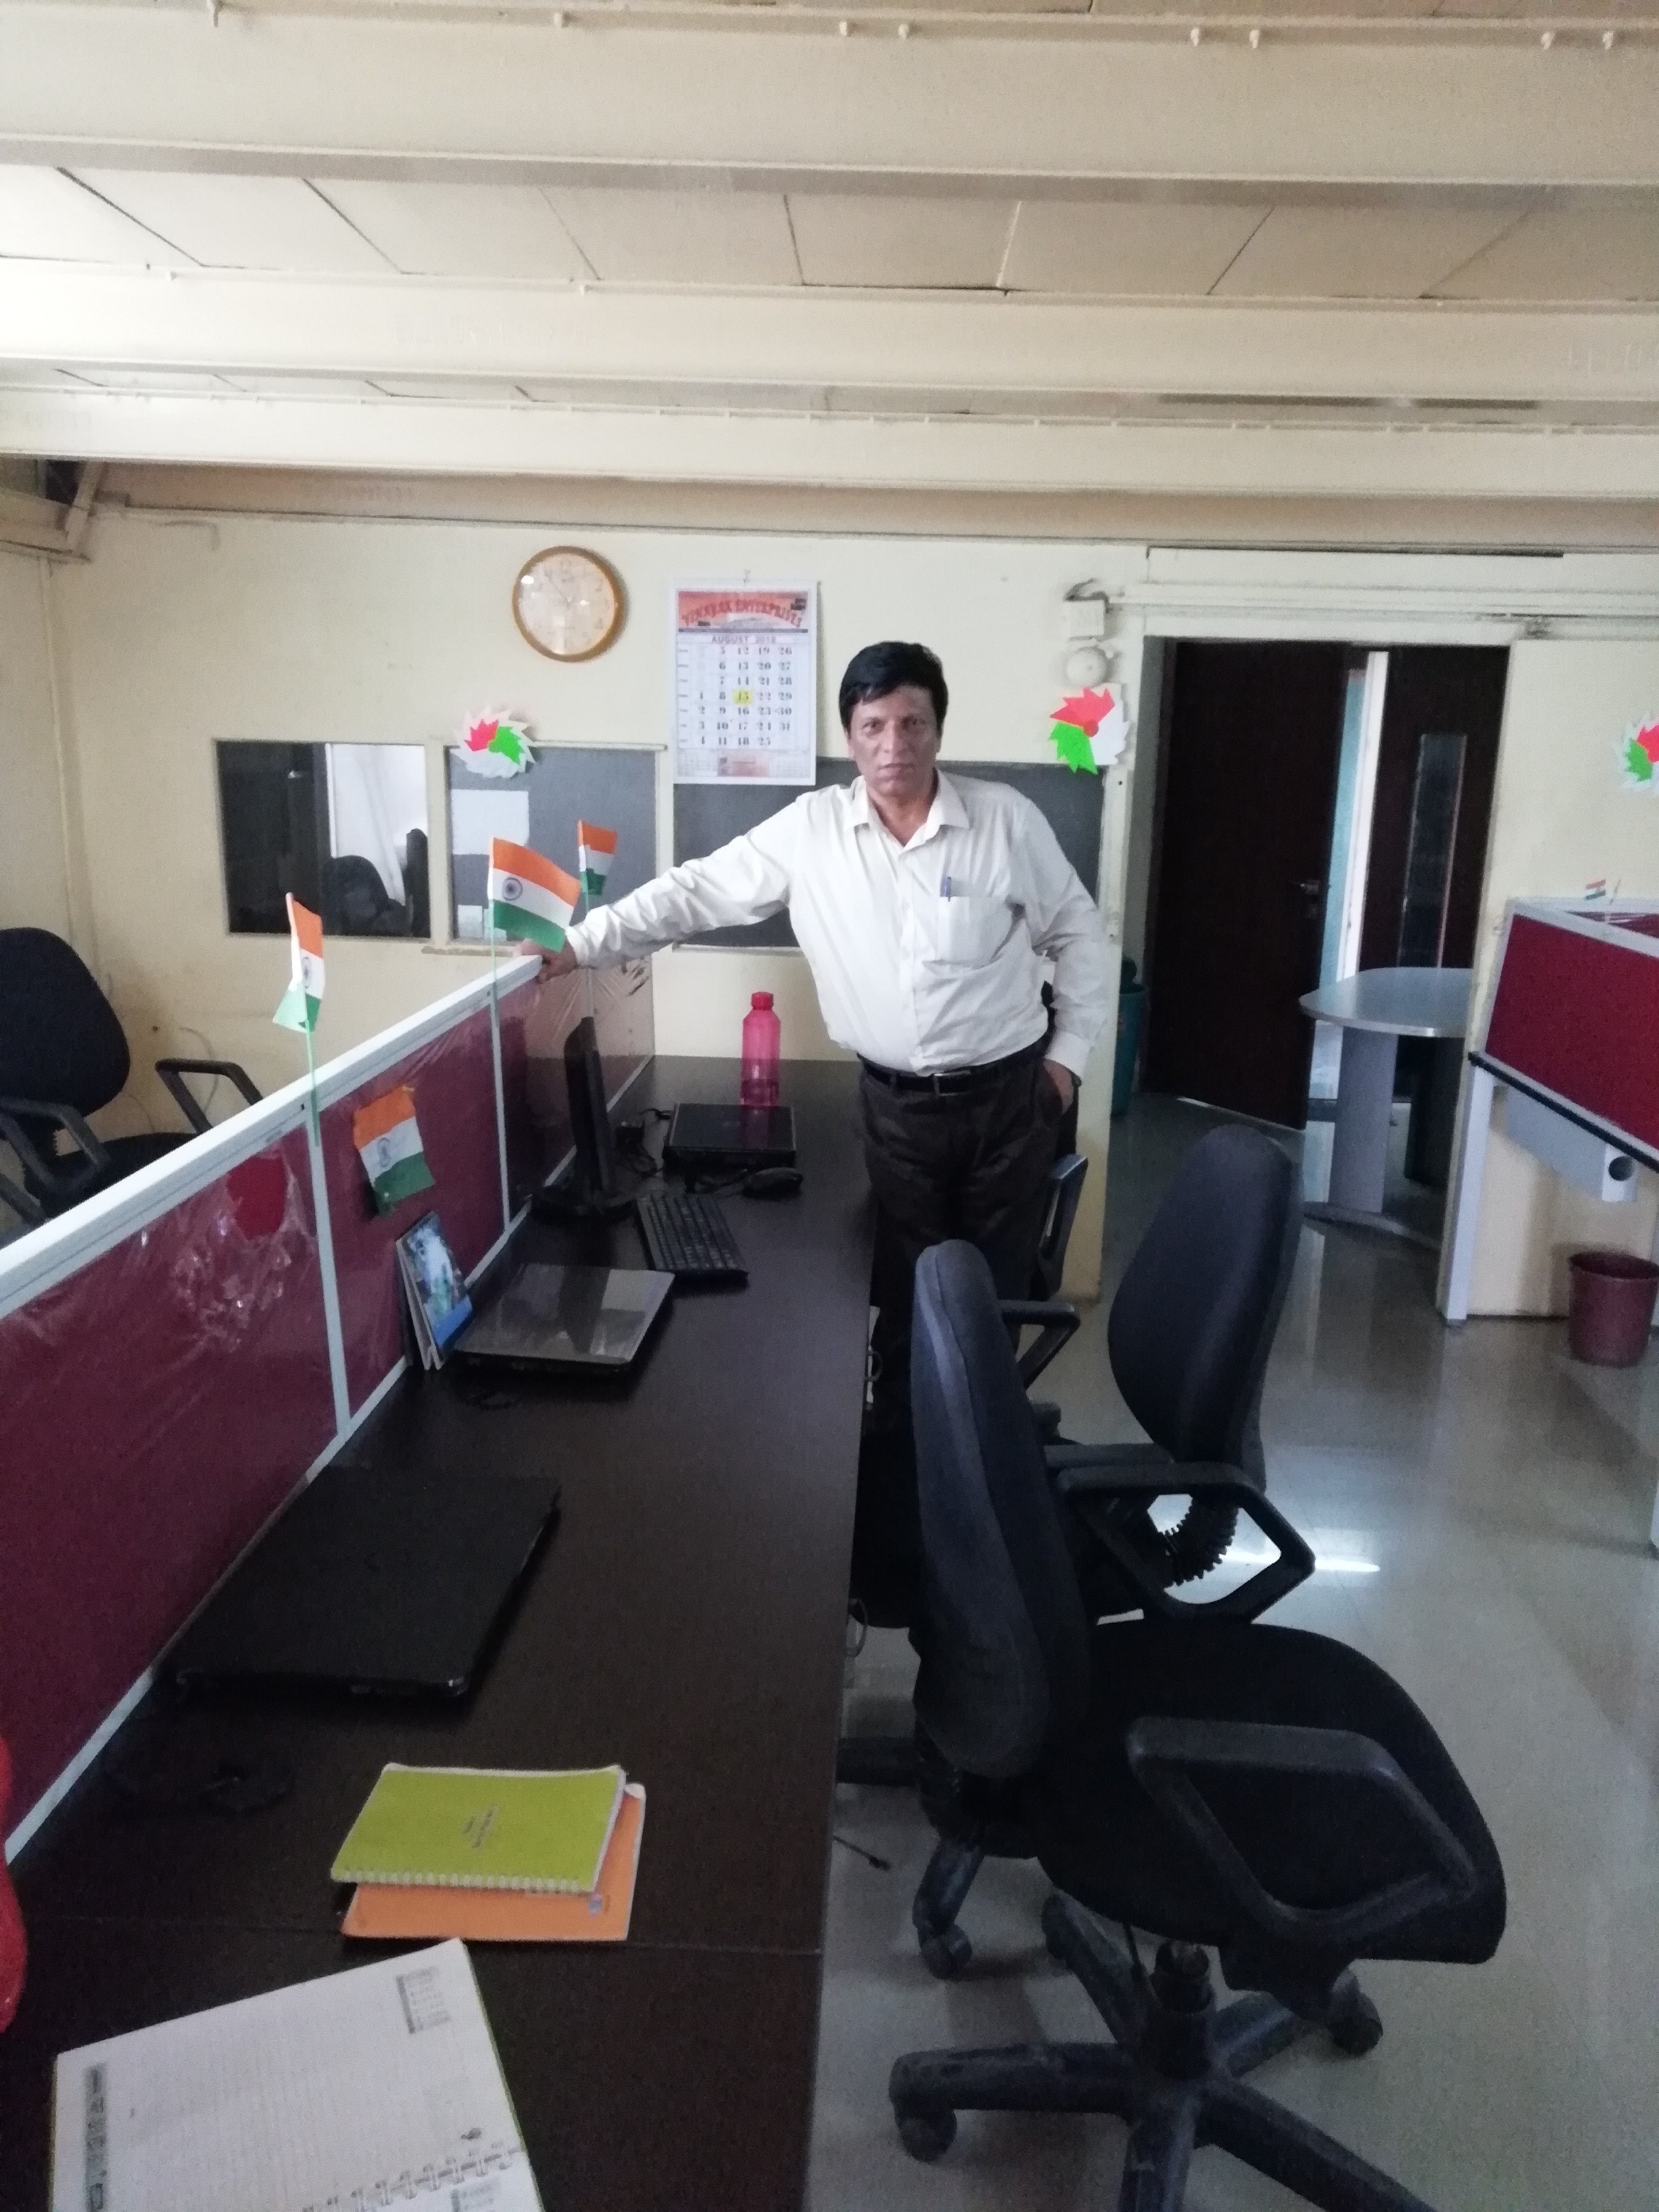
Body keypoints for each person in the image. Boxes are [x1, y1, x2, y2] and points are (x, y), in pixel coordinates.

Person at [535, 640, 1111, 1582]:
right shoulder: (809, 832)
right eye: (873, 725)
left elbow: (1080, 935)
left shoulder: (1006, 822)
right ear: (849, 736)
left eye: (912, 722)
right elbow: (695, 892)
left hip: (1010, 1104)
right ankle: (905, 1508)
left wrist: (1067, 1062)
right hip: (895, 1109)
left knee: (986, 1302)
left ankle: (980, 1499)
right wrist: (583, 942)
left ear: (938, 729)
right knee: (903, 1301)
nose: (893, 744)